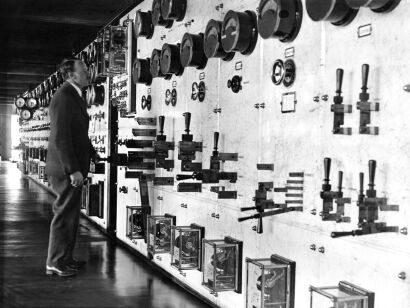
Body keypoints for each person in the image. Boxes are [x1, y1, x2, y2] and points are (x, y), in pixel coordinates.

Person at [45, 58, 97, 276]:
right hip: (65, 169)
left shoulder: (74, 95)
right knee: (64, 215)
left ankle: (65, 258)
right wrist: (72, 169)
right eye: (84, 70)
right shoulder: (63, 98)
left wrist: (92, 153)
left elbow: (78, 134)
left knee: (72, 216)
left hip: (73, 165)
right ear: (71, 75)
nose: (88, 73)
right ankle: (54, 262)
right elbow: (61, 138)